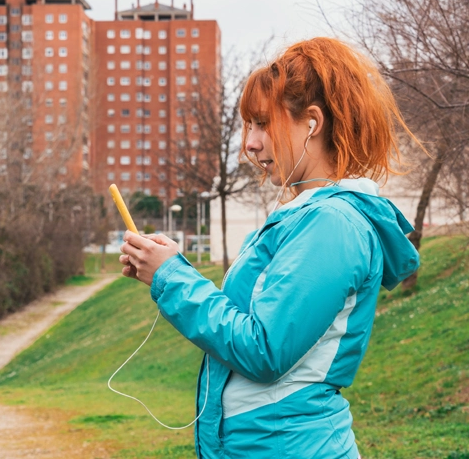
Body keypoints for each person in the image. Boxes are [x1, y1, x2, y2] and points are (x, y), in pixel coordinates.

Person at [119, 37, 421, 459]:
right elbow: (244, 322)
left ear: (311, 123)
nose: (250, 143)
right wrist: (167, 266)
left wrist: (171, 277)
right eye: (248, 126)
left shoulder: (331, 225)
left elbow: (264, 349)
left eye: (262, 123)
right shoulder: (304, 216)